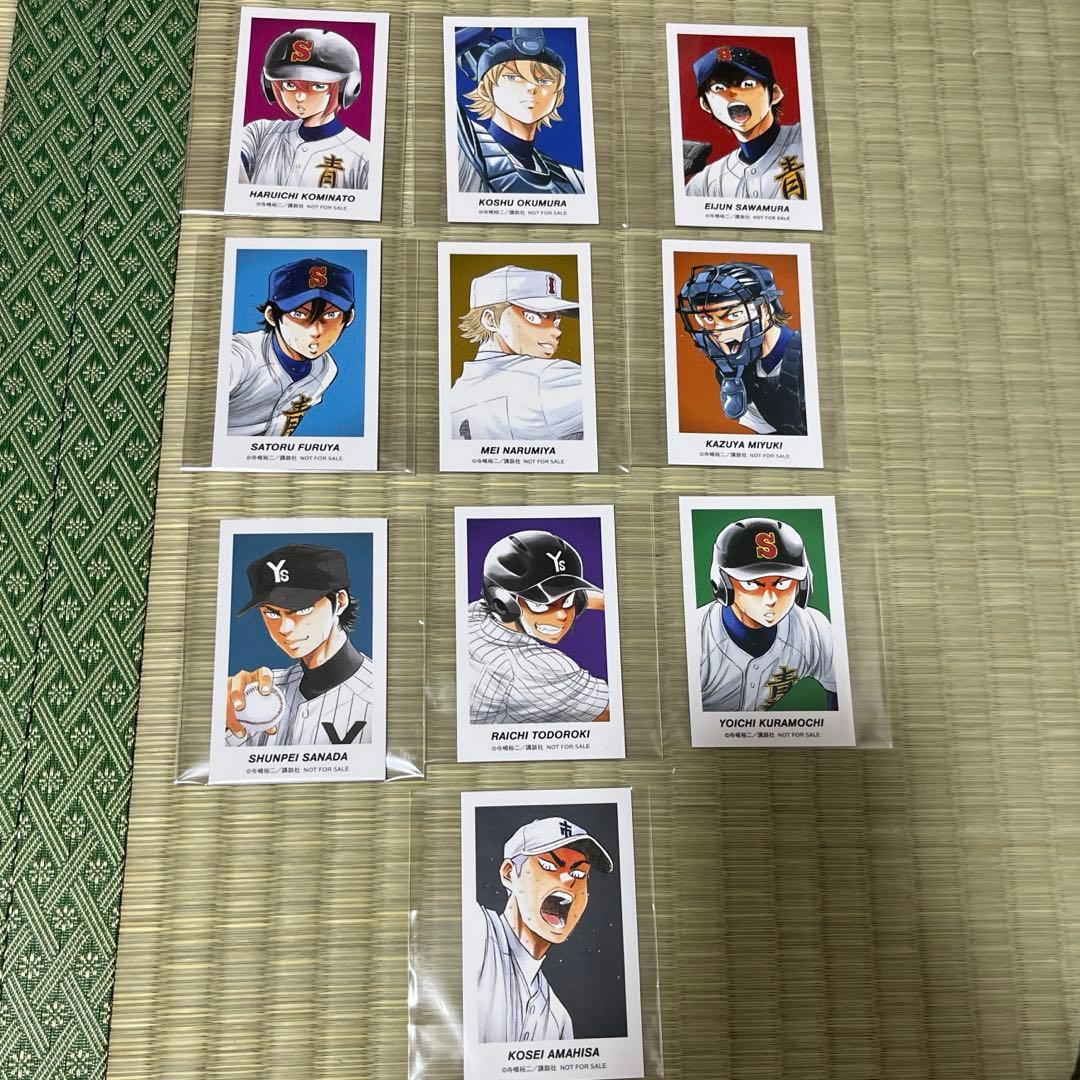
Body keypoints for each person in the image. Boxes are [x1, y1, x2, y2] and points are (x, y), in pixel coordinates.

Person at [471, 815, 613, 1043]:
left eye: (579, 874)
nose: (567, 880)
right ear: (509, 874)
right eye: (548, 865)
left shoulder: (559, 1021)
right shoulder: (477, 931)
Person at [224, 542, 376, 746]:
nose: (284, 627)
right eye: (271, 613)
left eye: (302, 609)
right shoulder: (258, 691)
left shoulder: (382, 695)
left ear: (340, 601)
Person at [468, 530, 609, 724]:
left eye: (568, 601)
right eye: (540, 604)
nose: (562, 615)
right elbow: (615, 716)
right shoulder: (534, 667)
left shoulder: (473, 616)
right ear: (503, 603)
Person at [698, 517, 836, 711]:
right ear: (723, 584)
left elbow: (842, 699)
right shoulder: (696, 639)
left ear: (803, 584)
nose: (770, 598)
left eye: (782, 583)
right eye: (751, 584)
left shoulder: (813, 630)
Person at [448, 266, 584, 442]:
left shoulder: (455, 394)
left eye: (555, 321)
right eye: (533, 317)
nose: (556, 331)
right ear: (490, 320)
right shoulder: (546, 378)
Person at [227, 257, 355, 437]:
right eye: (299, 314)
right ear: (272, 316)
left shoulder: (326, 370)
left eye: (331, 315)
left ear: (348, 318)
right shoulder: (240, 356)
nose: (316, 330)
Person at [676, 261, 806, 436]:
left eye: (733, 315)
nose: (717, 331)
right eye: (708, 319)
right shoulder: (737, 372)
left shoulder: (806, 359)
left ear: (765, 309)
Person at [455, 26, 586, 196]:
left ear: (558, 97)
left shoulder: (575, 181)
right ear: (485, 90)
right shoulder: (465, 148)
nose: (531, 88)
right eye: (513, 77)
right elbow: (440, 54)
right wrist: (485, 26)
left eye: (544, 81)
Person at [238, 28, 371, 190]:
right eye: (289, 84)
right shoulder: (260, 132)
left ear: (348, 88)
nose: (300, 96)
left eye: (318, 86)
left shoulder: (364, 156)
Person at [684, 44, 806, 201]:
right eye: (719, 88)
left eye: (747, 84)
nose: (732, 94)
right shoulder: (705, 184)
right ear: (706, 105)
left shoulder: (807, 139)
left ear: (774, 93)